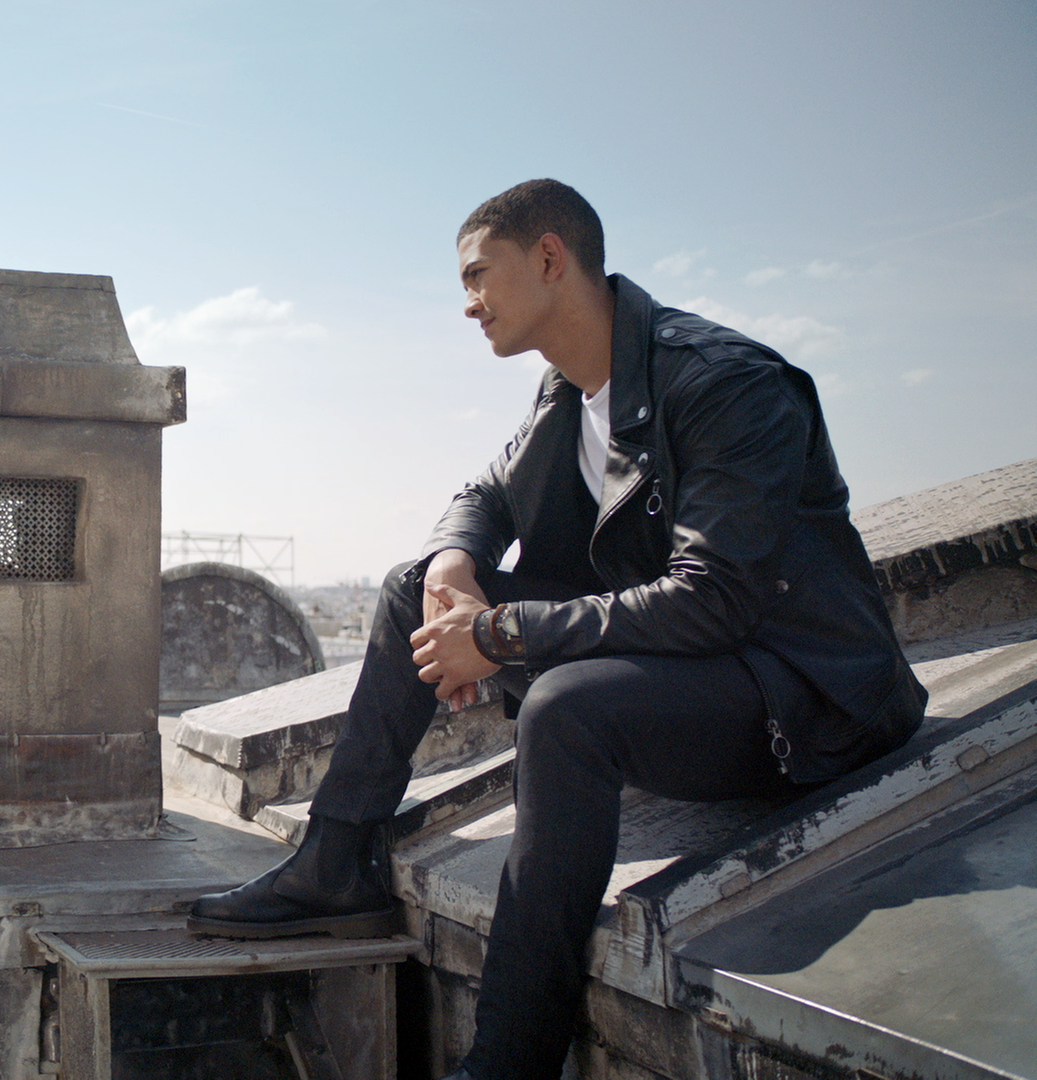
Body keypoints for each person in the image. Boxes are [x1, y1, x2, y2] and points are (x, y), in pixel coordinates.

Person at [188, 180, 927, 1079]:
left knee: (567, 710)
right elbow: (485, 495)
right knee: (409, 586)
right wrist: (455, 567)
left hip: (804, 698)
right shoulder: (571, 389)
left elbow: (715, 600)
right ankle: (337, 861)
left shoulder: (726, 382)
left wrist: (498, 636)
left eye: (477, 275)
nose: (467, 303)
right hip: (692, 668)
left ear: (549, 258)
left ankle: (508, 1059)